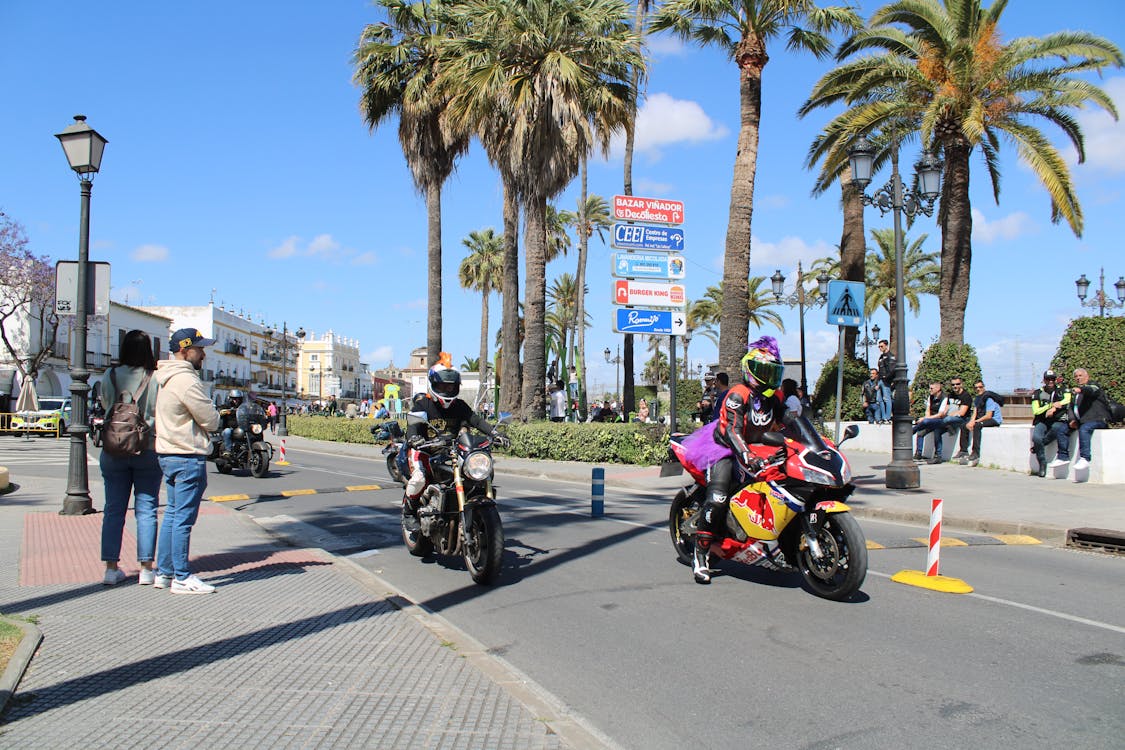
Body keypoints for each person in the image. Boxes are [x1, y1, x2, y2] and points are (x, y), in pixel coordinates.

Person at [693, 336, 787, 584]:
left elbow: (789, 424)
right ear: (750, 370)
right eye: (764, 370)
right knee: (718, 497)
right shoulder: (738, 394)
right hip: (724, 450)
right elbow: (733, 431)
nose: (768, 376)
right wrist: (747, 455)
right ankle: (701, 555)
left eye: (772, 371)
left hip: (759, 450)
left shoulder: (775, 397)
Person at [154, 328, 222, 594]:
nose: (203, 354)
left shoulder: (164, 377)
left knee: (171, 515)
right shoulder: (186, 381)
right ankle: (181, 577)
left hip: (168, 452)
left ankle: (164, 571)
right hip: (187, 454)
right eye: (199, 348)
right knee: (183, 519)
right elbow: (211, 419)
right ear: (184, 350)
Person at [403, 353, 509, 505]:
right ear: (433, 384)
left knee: (480, 472)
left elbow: (476, 421)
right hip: (424, 450)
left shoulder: (459, 405)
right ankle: (409, 513)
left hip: (452, 451)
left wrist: (495, 433)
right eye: (442, 385)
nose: (447, 389)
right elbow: (413, 425)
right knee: (419, 479)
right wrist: (414, 438)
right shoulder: (423, 405)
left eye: (450, 385)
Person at [98, 329, 161, 586]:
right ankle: (146, 569)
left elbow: (105, 404)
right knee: (146, 509)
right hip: (147, 448)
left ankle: (111, 568)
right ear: (149, 350)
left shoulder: (110, 375)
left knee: (113, 509)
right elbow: (157, 410)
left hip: (113, 448)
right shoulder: (154, 378)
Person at [1068, 367, 1111, 478]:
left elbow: (1091, 390)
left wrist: (1081, 390)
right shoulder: (1076, 392)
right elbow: (1071, 407)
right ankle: (1062, 456)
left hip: (1098, 420)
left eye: (1080, 375)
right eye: (1076, 376)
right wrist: (1072, 419)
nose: (1078, 378)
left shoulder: (1093, 386)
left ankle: (1085, 458)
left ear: (1087, 376)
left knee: (1085, 428)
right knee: (1061, 429)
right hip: (1082, 421)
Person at [1032, 370, 1071, 477]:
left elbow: (1067, 400)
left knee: (1056, 429)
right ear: (1044, 380)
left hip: (1057, 420)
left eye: (1052, 379)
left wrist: (1055, 407)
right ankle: (1042, 464)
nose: (1050, 381)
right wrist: (1050, 406)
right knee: (1036, 438)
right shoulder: (1037, 393)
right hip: (1042, 420)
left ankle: (1038, 446)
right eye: (1048, 379)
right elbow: (1036, 411)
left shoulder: (1062, 390)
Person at [958, 380, 1003, 466]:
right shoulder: (977, 398)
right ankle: (963, 451)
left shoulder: (989, 399)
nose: (978, 389)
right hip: (983, 418)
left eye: (980, 387)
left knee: (977, 426)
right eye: (976, 388)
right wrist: (971, 421)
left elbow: (989, 415)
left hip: (994, 420)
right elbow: (975, 412)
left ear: (984, 387)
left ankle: (975, 453)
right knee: (964, 425)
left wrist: (975, 422)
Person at [911, 381, 949, 464]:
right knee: (920, 433)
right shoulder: (930, 397)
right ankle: (918, 453)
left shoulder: (945, 398)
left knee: (934, 429)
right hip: (931, 421)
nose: (929, 390)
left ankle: (938, 456)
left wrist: (926, 418)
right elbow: (927, 410)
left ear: (938, 388)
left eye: (931, 388)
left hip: (941, 421)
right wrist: (926, 418)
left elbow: (941, 414)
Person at [943, 377, 973, 459]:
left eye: (957, 384)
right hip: (951, 418)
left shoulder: (966, 396)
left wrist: (950, 415)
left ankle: (963, 451)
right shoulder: (950, 395)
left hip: (963, 419)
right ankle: (937, 454)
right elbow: (946, 408)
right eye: (953, 384)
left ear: (961, 384)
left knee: (947, 419)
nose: (955, 386)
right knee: (937, 428)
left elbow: (962, 412)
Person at [218, 390, 245, 457]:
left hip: (241, 428)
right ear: (230, 399)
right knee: (227, 432)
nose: (236, 400)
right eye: (234, 399)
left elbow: (249, 411)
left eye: (238, 399)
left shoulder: (243, 407)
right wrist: (223, 411)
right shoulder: (226, 406)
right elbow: (220, 410)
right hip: (230, 428)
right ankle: (228, 450)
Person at [876, 339, 895, 424]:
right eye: (879, 346)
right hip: (880, 380)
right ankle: (883, 417)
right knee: (879, 399)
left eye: (881, 346)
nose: (880, 348)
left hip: (886, 381)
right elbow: (880, 369)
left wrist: (886, 378)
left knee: (887, 399)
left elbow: (892, 370)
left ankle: (887, 417)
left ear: (886, 346)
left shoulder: (890, 356)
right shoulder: (881, 357)